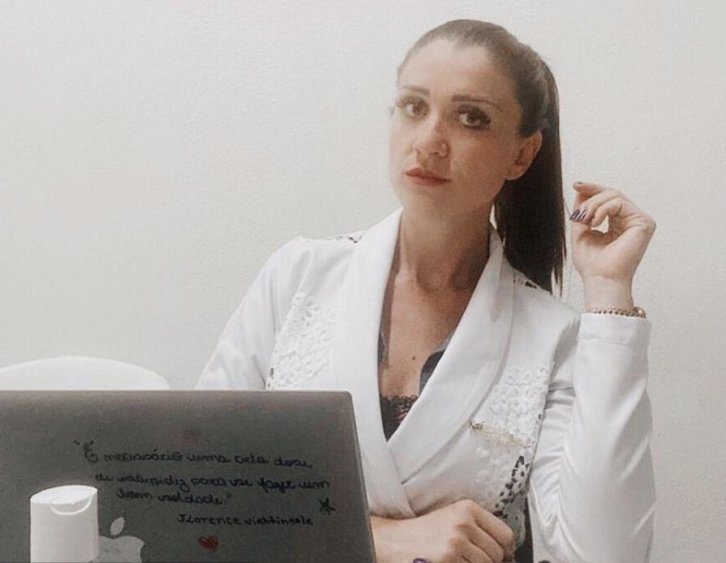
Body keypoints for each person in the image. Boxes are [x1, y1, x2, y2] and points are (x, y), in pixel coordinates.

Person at [196, 19, 656, 563]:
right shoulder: (298, 276)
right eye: (414, 107)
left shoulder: (552, 337)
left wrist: (608, 291)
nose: (429, 141)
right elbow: (196, 495)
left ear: (522, 155)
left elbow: (602, 554)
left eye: (471, 117)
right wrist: (378, 538)